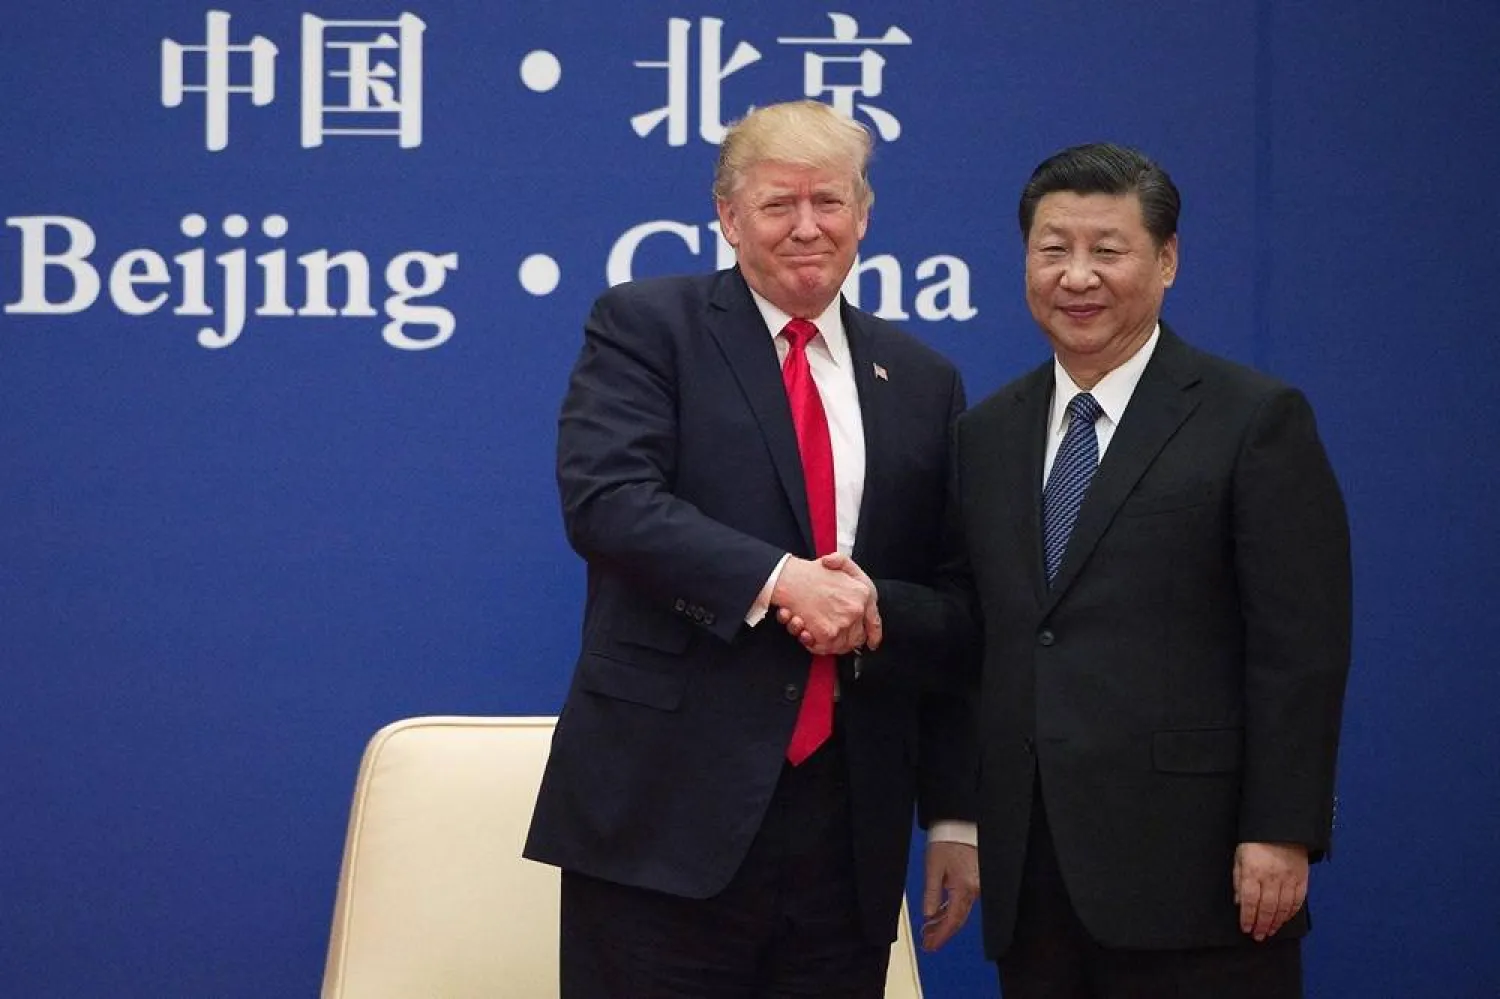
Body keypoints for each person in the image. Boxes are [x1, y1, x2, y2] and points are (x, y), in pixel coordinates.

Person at [524, 99, 980, 999]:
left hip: (847, 829)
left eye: (830, 201)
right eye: (779, 204)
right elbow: (608, 501)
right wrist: (779, 583)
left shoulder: (924, 379)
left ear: (865, 215)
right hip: (665, 813)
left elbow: (957, 601)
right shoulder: (650, 326)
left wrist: (957, 814)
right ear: (728, 217)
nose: (808, 226)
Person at [955, 143, 1352, 997]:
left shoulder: (1252, 418)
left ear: (1166, 261)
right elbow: (985, 632)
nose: (1077, 276)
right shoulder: (987, 434)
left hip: (1201, 876)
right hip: (1037, 877)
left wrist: (1281, 828)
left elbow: (1300, 644)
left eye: (1108, 250)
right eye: (1053, 249)